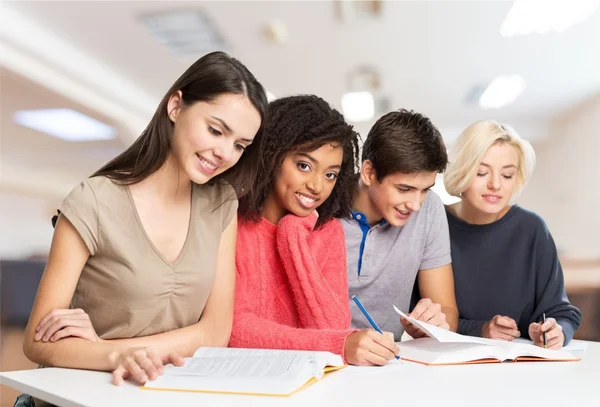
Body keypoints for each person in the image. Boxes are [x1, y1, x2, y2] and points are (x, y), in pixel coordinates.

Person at [20, 51, 267, 394]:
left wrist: (103, 348)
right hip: (83, 396)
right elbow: (37, 343)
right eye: (215, 130)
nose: (225, 153)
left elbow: (214, 333)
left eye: (240, 145)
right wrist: (117, 355)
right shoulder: (94, 199)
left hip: (161, 395)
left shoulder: (221, 204)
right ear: (176, 106)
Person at [229, 95, 400, 366]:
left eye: (330, 174)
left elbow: (330, 326)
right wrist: (338, 346)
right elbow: (235, 331)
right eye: (304, 166)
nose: (317, 186)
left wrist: (293, 236)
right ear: (272, 156)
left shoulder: (328, 232)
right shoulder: (233, 225)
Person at [444, 120, 581, 349]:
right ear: (462, 170)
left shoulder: (532, 229)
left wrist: (557, 331)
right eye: (481, 172)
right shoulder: (437, 224)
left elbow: (562, 311)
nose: (495, 184)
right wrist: (481, 329)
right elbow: (422, 316)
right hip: (448, 367)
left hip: (520, 369)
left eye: (507, 175)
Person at [343, 109, 459, 341]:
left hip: (388, 360)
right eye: (404, 189)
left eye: (425, 189)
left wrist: (433, 322)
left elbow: (447, 311)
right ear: (369, 173)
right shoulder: (322, 200)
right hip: (322, 356)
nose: (416, 204)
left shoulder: (430, 209)